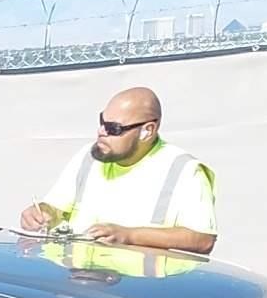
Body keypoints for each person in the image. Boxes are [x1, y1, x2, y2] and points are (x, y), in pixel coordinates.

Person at [19, 87, 218, 255]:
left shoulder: (184, 170)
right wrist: (43, 212)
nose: (101, 132)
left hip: (136, 293)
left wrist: (128, 236)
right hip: (78, 283)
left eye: (114, 128)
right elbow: (56, 207)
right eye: (101, 122)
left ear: (147, 131)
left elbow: (202, 239)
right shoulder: (88, 157)